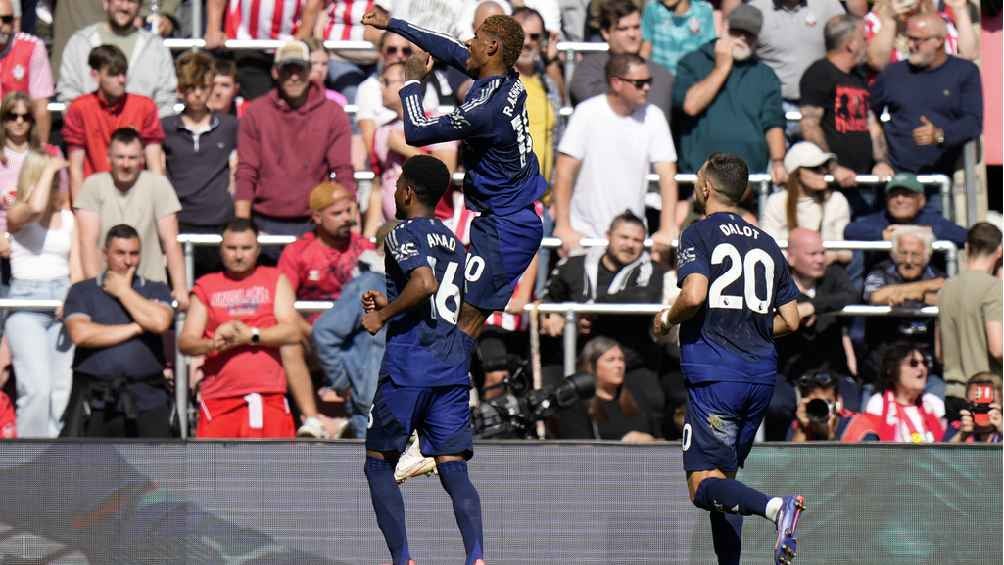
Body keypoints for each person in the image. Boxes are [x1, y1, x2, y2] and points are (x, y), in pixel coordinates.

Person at [651, 153, 804, 565]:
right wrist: (750, 323)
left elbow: (695, 294)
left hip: (716, 376)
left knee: (702, 485)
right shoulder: (768, 243)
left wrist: (666, 319)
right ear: (746, 193)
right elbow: (791, 319)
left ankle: (776, 508)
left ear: (704, 188)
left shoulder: (698, 233)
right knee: (725, 484)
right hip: (760, 377)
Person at [362, 9, 546, 341]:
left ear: (491, 47)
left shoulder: (485, 110)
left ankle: (449, 388)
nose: (467, 43)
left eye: (474, 38)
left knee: (463, 321)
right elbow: (447, 47)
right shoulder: (503, 76)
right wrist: (394, 24)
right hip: (506, 215)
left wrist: (413, 81)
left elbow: (416, 131)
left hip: (508, 226)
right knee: (455, 313)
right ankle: (446, 384)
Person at [359, 155, 484, 565]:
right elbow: (441, 297)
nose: (394, 192)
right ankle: (476, 557)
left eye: (397, 186)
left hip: (410, 365)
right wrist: (392, 301)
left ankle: (403, 560)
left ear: (409, 191)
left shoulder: (401, 232)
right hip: (449, 367)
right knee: (453, 467)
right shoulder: (454, 241)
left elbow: (424, 283)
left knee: (379, 464)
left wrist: (382, 314)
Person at [179, 219, 322, 439]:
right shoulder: (206, 285)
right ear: (221, 249)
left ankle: (312, 419)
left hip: (269, 396)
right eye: (231, 248)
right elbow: (186, 342)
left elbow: (292, 330)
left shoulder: (274, 279)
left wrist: (250, 335)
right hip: (220, 398)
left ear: (258, 249)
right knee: (213, 473)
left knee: (275, 472)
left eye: (246, 248)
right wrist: (213, 344)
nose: (238, 255)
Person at [234, 39, 355, 264]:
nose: (293, 76)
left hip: (315, 222)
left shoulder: (332, 113)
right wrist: (242, 225)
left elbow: (343, 171)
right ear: (274, 72)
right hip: (264, 221)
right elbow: (246, 171)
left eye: (299, 68)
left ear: (310, 71)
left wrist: (348, 214)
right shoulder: (256, 113)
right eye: (286, 69)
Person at [553, 52, 679, 258]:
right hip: (585, 236)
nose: (647, 88)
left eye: (649, 81)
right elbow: (564, 171)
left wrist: (667, 227)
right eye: (640, 83)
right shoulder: (587, 113)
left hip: (631, 238)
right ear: (617, 83)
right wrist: (564, 226)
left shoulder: (654, 116)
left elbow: (667, 176)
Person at [62, 224, 175, 438]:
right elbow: (81, 334)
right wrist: (138, 326)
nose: (128, 261)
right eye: (120, 253)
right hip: (95, 401)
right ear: (105, 254)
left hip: (149, 398)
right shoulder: (82, 291)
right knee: (92, 470)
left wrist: (123, 291)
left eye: (134, 253)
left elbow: (160, 323)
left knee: (157, 470)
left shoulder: (156, 288)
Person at [4, 150, 80, 438]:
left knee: (60, 389)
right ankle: (30, 459)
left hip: (60, 300)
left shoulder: (68, 218)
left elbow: (76, 268)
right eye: (50, 178)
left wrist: (71, 297)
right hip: (26, 303)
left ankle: (50, 460)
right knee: (36, 387)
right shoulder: (18, 212)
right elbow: (34, 208)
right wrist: (48, 170)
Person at [672, 5, 788, 184]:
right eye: (737, 31)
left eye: (749, 34)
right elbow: (690, 105)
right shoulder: (693, 63)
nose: (742, 38)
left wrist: (778, 162)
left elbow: (773, 123)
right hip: (700, 180)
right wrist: (722, 67)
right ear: (724, 28)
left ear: (757, 38)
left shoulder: (765, 75)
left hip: (748, 181)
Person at [74, 127, 188, 309]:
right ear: (108, 157)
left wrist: (180, 287)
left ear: (142, 159)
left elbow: (171, 241)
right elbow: (88, 243)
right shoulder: (92, 185)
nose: (125, 164)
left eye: (132, 158)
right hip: (107, 288)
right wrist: (93, 288)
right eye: (120, 157)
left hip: (150, 286)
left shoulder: (158, 185)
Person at [542, 210, 668, 373]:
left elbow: (644, 297)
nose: (630, 245)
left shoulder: (652, 270)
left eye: (637, 240)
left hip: (629, 362)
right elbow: (548, 298)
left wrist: (587, 310)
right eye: (624, 237)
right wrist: (552, 316)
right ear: (608, 236)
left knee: (652, 396)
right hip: (577, 358)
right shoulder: (574, 264)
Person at [869, 13, 982, 181]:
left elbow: (972, 123)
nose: (911, 45)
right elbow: (868, 115)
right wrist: (880, 161)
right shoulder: (892, 74)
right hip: (898, 180)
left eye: (917, 40)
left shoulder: (964, 72)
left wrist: (939, 135)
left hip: (945, 181)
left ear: (938, 40)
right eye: (909, 39)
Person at [162, 50, 238, 279]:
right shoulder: (165, 127)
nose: (196, 94)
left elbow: (239, 168)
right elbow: (160, 172)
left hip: (219, 221)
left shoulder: (231, 126)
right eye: (189, 88)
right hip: (180, 222)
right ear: (180, 90)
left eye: (202, 87)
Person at [800, 15, 894, 194]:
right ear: (851, 44)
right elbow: (810, 126)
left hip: (864, 180)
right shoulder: (819, 73)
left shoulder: (859, 76)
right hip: (833, 183)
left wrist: (882, 162)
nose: (868, 44)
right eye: (864, 39)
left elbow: (872, 125)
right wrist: (832, 167)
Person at [62, 45, 166, 203]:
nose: (122, 80)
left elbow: (155, 165)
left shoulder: (145, 107)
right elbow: (76, 169)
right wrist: (80, 211)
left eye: (123, 73)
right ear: (95, 75)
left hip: (136, 199)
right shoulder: (79, 108)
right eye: (113, 74)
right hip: (95, 198)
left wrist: (158, 206)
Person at [369, 62, 459, 231]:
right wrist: (370, 234)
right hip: (393, 228)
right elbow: (377, 189)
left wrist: (405, 148)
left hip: (435, 226)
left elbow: (446, 171)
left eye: (386, 82)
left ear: (406, 84)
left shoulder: (438, 121)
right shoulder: (382, 131)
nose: (380, 88)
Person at [57, 0, 178, 117]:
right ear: (105, 3)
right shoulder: (80, 42)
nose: (124, 7)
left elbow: (165, 101)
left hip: (141, 135)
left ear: (140, 7)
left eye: (131, 1)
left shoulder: (155, 46)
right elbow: (69, 95)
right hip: (91, 134)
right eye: (119, 0)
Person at [570, 0, 675, 123]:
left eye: (636, 27)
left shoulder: (661, 76)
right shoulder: (589, 71)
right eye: (623, 29)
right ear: (606, 33)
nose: (632, 34)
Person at [861, 225, 943, 382]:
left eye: (915, 255)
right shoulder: (880, 272)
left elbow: (946, 298)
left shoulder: (937, 275)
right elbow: (874, 296)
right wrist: (922, 288)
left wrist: (902, 293)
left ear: (926, 256)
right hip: (883, 370)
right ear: (894, 254)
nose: (908, 261)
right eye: (903, 253)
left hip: (927, 371)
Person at [204, 0, 323, 100]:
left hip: (290, 45)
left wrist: (305, 31)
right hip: (248, 44)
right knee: (259, 104)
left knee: (294, 99)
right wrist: (213, 28)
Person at [937, 223, 1002, 403]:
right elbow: (998, 349)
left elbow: (939, 353)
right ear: (999, 251)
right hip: (986, 396)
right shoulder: (995, 288)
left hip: (953, 393)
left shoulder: (946, 288)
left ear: (966, 248)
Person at [554, 337, 662, 441]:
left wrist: (649, 440)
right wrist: (622, 444)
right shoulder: (577, 404)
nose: (619, 365)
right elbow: (578, 450)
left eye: (621, 359)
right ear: (592, 366)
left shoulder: (637, 396)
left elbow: (660, 440)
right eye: (611, 360)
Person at [748, 0, 845, 115]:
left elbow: (846, 47)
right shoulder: (755, 9)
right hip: (772, 105)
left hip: (821, 104)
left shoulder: (828, 5)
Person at [760, 142, 852, 264]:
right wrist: (800, 262)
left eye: (825, 166)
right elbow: (768, 247)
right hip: (787, 270)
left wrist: (821, 258)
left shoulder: (836, 200)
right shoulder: (776, 202)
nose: (823, 172)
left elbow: (845, 252)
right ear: (796, 174)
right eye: (815, 168)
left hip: (826, 268)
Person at [863, 341, 946, 442]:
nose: (921, 368)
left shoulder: (933, 403)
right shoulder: (878, 403)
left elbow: (945, 450)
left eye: (925, 363)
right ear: (891, 369)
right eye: (913, 363)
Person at [864, 0, 977, 71]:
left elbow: (969, 54)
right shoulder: (873, 22)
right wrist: (889, 21)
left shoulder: (940, 21)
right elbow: (878, 63)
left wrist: (960, 8)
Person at [0, 0, 53, 143]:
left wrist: (41, 152)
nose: (1, 25)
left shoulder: (32, 48)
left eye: (6, 19)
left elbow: (41, 108)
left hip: (20, 140)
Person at [640, 0, 716, 76]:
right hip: (659, 79)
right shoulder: (653, 8)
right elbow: (646, 48)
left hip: (689, 79)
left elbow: (706, 52)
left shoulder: (704, 10)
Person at [788, 370, 857, 442]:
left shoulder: (857, 426)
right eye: (815, 403)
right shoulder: (797, 425)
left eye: (828, 402)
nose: (822, 408)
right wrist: (803, 428)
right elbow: (792, 453)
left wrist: (831, 435)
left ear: (838, 403)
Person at [944, 372, 1002, 443]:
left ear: (1001, 401)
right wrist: (961, 435)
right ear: (966, 402)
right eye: (975, 404)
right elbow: (943, 453)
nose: (982, 409)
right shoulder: (957, 427)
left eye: (989, 404)